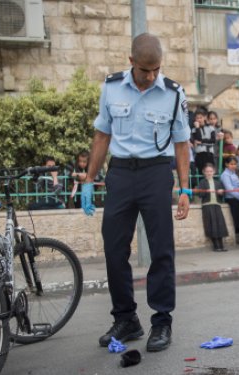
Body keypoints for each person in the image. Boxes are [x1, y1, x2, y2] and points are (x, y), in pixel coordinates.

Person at [81, 33, 192, 353]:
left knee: (161, 249)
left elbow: (182, 143)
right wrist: (89, 179)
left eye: (156, 69)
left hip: (156, 173)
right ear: (131, 62)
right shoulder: (111, 87)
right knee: (114, 249)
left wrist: (184, 188)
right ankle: (126, 318)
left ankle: (161, 321)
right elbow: (102, 136)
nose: (152, 76)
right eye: (145, 69)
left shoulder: (173, 93)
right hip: (119, 173)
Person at [197, 164, 229, 252]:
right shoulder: (202, 182)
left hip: (216, 205)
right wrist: (206, 191)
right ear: (204, 172)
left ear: (214, 172)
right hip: (207, 206)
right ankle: (216, 246)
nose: (209, 173)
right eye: (207, 171)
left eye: (210, 171)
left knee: (220, 225)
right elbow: (199, 194)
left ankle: (221, 245)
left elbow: (223, 194)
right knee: (212, 225)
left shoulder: (217, 182)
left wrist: (221, 192)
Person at [220, 155, 239, 244]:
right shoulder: (225, 175)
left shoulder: (235, 173)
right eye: (231, 164)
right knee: (238, 218)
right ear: (226, 164)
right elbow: (230, 189)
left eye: (235, 164)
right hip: (233, 199)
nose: (233, 166)